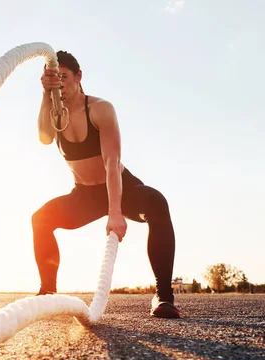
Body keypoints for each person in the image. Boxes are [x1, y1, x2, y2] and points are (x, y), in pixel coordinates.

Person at [33, 50, 180, 319]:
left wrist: (115, 212)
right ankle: (48, 293)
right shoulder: (55, 115)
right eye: (54, 78)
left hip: (120, 187)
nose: (60, 83)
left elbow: (112, 163)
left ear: (78, 77)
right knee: (40, 219)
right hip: (84, 195)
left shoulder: (100, 108)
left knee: (157, 203)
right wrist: (46, 93)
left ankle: (163, 296)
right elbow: (44, 137)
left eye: (63, 76)